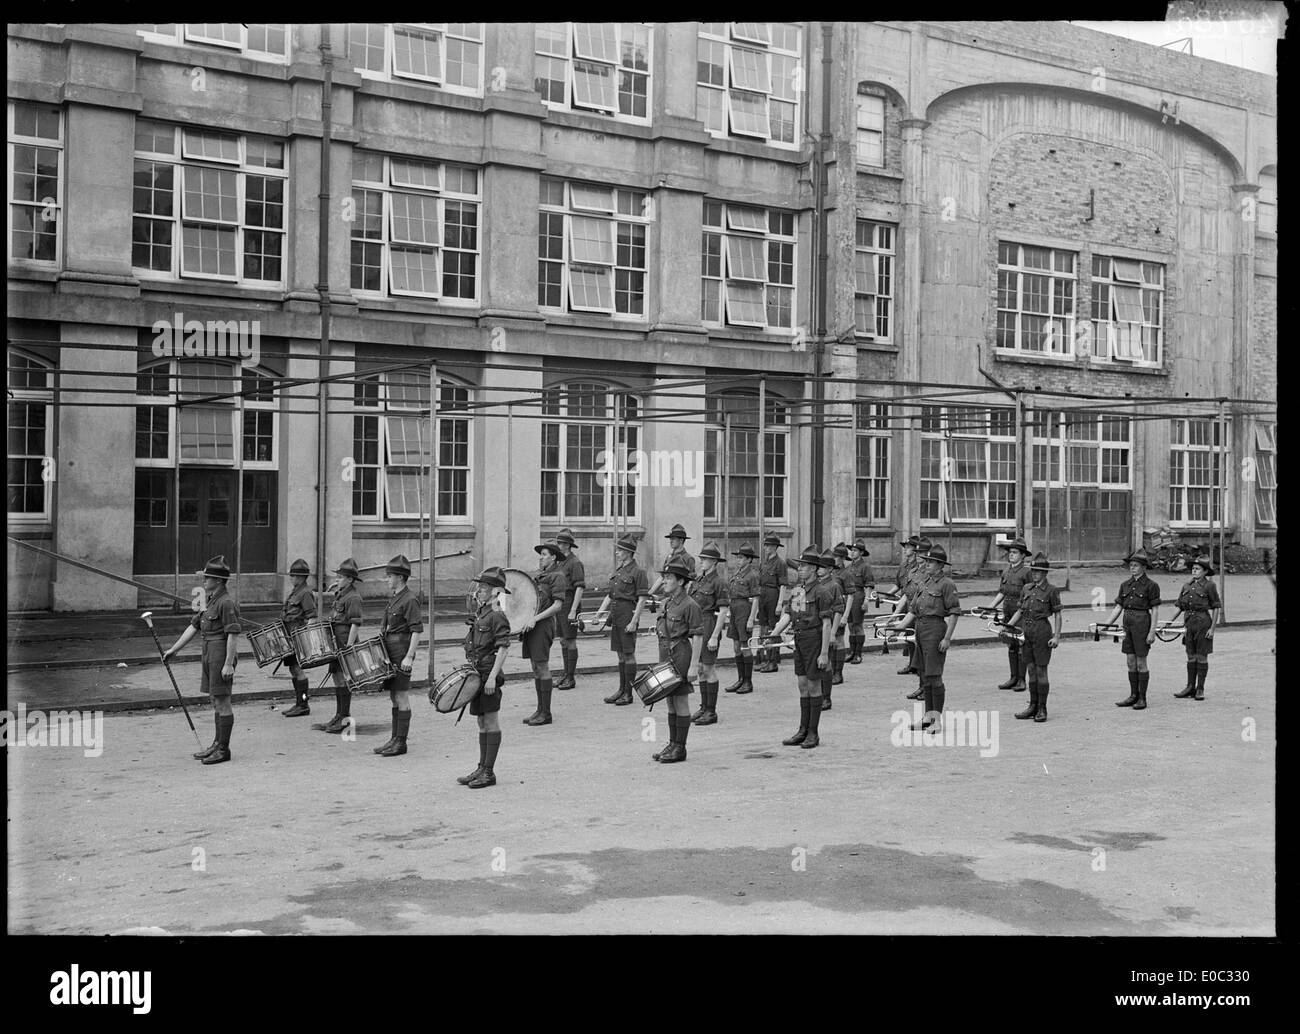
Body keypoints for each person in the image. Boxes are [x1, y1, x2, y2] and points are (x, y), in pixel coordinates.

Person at [163, 556, 240, 765]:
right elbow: (194, 627)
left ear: (218, 580)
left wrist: (227, 663)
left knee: (222, 701)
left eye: (207, 577)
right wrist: (173, 649)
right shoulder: (210, 600)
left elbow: (233, 634)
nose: (204, 581)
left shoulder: (226, 603)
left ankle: (224, 749)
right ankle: (217, 743)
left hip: (220, 654)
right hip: (208, 652)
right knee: (215, 699)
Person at [892, 544, 961, 733]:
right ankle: (927, 717)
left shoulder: (947, 584)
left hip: (935, 629)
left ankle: (937, 721)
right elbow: (913, 610)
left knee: (935, 676)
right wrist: (898, 628)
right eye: (927, 561)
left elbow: (954, 613)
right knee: (925, 676)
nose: (927, 564)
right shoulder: (924, 582)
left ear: (940, 565)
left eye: (931, 562)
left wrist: (947, 638)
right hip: (921, 630)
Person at [769, 546, 831, 749]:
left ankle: (813, 732)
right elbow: (790, 614)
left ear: (813, 569)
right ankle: (802, 730)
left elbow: (827, 624)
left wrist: (824, 653)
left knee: (814, 685)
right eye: (800, 566)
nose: (800, 569)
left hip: (814, 639)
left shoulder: (821, 591)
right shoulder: (798, 589)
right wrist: (775, 631)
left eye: (804, 566)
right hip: (800, 639)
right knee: (802, 685)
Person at [458, 567, 513, 789]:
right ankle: (481, 767)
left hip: (488, 675)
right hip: (477, 675)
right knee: (481, 721)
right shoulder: (482, 613)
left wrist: (491, 678)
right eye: (480, 588)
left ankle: (489, 772)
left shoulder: (497, 615)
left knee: (490, 721)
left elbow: (503, 649)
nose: (479, 592)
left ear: (495, 591)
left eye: (484, 588)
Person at [651, 561, 705, 762]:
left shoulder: (691, 605)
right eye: (664, 577)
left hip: (681, 654)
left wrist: (694, 665)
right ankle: (672, 743)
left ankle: (680, 748)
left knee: (680, 701)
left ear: (681, 581)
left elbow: (698, 636)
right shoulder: (666, 603)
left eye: (669, 578)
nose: (664, 581)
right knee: (670, 701)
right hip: (665, 654)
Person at [372, 555, 422, 757]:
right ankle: (394, 738)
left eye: (390, 576)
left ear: (400, 577)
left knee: (401, 695)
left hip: (401, 651)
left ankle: (401, 742)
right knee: (394, 694)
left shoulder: (410, 600)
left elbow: (417, 630)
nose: (387, 580)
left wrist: (409, 657)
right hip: (390, 651)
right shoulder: (395, 597)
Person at [1004, 552, 1062, 722]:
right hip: (1026, 631)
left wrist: (1056, 636)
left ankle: (1042, 708)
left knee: (1041, 670)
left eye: (1038, 571)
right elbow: (1020, 611)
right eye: (1033, 570)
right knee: (1030, 670)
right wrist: (1009, 626)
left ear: (1045, 573)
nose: (1035, 573)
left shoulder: (1051, 591)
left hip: (1042, 631)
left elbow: (1058, 614)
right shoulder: (1026, 588)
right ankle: (1032, 706)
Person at [1104, 548, 1162, 711]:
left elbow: (1155, 610)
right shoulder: (1125, 585)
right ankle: (1133, 695)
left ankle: (1142, 698)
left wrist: (1152, 632)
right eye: (1131, 565)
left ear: (1144, 567)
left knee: (1141, 661)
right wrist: (1106, 624)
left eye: (1136, 565)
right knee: (1130, 661)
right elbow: (1118, 606)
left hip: (1142, 623)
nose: (1133, 568)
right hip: (1127, 623)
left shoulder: (1151, 586)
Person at [599, 534, 651, 706]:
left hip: (628, 613)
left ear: (629, 552)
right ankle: (621, 690)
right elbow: (611, 594)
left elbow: (642, 599)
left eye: (620, 550)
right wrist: (600, 612)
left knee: (628, 654)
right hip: (617, 614)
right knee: (620, 655)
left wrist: (634, 621)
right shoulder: (620, 570)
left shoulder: (639, 572)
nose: (617, 553)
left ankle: (628, 693)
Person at [521, 541, 568, 726]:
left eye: (544, 554)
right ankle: (539, 710)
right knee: (535, 666)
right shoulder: (542, 575)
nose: (541, 558)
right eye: (540, 555)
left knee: (542, 666)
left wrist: (535, 619)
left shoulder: (557, 576)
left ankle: (546, 713)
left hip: (543, 625)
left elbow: (557, 605)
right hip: (533, 625)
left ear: (553, 557)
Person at [320, 558, 364, 734]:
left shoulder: (353, 597)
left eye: (340, 577)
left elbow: (355, 623)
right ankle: (339, 715)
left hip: (345, 643)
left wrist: (349, 646)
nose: (336, 579)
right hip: (336, 644)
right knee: (337, 678)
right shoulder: (342, 594)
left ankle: (345, 717)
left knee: (344, 680)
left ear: (350, 580)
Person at [689, 544, 730, 725]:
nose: (702, 562)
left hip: (709, 624)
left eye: (704, 559)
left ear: (714, 561)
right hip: (697, 625)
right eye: (701, 559)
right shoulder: (699, 580)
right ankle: (704, 707)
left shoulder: (718, 582)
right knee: (699, 669)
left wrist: (714, 636)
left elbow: (722, 611)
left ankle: (711, 712)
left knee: (709, 668)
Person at [1171, 555, 1220, 701]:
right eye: (1193, 568)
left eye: (1197, 569)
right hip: (1189, 623)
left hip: (1203, 622)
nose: (1194, 571)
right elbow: (1180, 606)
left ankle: (1200, 688)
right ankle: (1190, 687)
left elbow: (1216, 607)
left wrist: (1212, 629)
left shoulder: (1209, 586)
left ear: (1205, 572)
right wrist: (1169, 622)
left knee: (1201, 656)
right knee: (1190, 655)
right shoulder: (1186, 586)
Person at [986, 537, 1031, 692]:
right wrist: (990, 607)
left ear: (1023, 555)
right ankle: (1013, 677)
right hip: (1008, 612)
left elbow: (1029, 595)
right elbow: (1002, 592)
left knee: (1020, 645)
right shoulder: (1006, 571)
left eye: (1015, 552)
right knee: (1010, 645)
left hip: (1021, 614)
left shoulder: (1027, 573)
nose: (1011, 555)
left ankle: (1021, 680)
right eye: (1010, 552)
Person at [280, 558, 317, 718]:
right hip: (289, 637)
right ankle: (298, 702)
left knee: (297, 669)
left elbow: (312, 617)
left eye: (293, 576)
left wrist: (305, 639)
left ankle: (303, 704)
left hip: (297, 637)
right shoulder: (295, 591)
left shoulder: (305, 593)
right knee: (293, 669)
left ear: (301, 577)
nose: (291, 578)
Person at [724, 542, 761, 695]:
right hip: (735, 609)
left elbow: (756, 598)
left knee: (745, 646)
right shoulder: (737, 572)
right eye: (737, 557)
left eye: (741, 557)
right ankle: (740, 679)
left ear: (749, 560)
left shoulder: (752, 575)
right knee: (736, 645)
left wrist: (751, 619)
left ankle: (748, 681)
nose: (738, 560)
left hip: (745, 609)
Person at [553, 528, 585, 690]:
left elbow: (579, 588)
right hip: (560, 604)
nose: (560, 545)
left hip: (570, 603)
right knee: (563, 640)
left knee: (570, 640)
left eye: (563, 543)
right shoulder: (559, 561)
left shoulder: (575, 562)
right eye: (558, 542)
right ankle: (565, 674)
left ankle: (571, 678)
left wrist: (573, 610)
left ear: (569, 545)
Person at [755, 534, 792, 673]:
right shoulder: (763, 562)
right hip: (763, 595)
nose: (766, 548)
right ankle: (762, 658)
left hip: (773, 596)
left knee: (773, 629)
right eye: (765, 545)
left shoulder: (780, 563)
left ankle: (773, 660)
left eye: (769, 545)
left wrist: (779, 604)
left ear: (776, 547)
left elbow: (783, 585)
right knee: (763, 628)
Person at [818, 547, 847, 709]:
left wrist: (833, 633)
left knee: (826, 663)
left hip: (828, 628)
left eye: (821, 567)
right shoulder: (816, 584)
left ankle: (826, 698)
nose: (818, 570)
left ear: (830, 569)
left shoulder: (834, 585)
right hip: (817, 628)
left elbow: (838, 611)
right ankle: (818, 694)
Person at [845, 539, 874, 664]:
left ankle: (858, 654)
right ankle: (852, 652)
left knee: (858, 625)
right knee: (850, 625)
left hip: (858, 596)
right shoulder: (848, 566)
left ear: (861, 553)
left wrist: (866, 601)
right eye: (852, 550)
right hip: (848, 597)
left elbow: (868, 585)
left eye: (855, 550)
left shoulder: (865, 567)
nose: (852, 552)